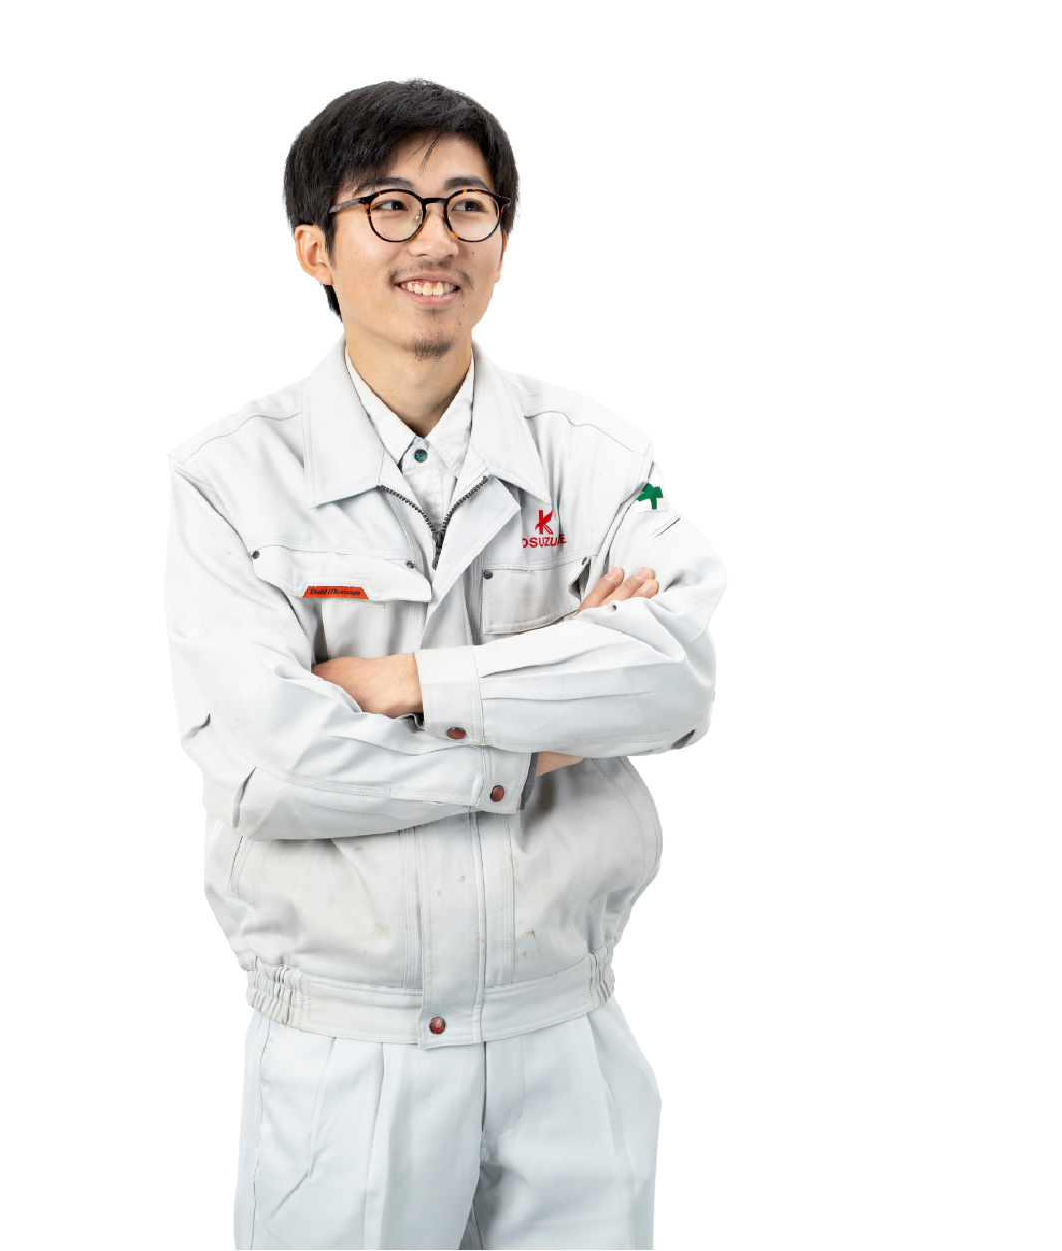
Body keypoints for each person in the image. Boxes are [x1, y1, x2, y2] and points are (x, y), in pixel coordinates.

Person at [164, 79, 726, 1250]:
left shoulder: (592, 454)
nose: (435, 238)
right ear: (315, 248)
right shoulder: (232, 479)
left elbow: (674, 673)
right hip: (348, 1047)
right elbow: (276, 767)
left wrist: (415, 684)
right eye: (391, 206)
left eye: (467, 206)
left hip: (566, 1031)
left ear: (502, 243)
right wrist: (545, 736)